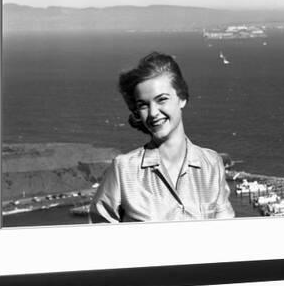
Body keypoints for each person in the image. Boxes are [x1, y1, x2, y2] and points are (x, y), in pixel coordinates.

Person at [90, 52, 235, 223]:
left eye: (162, 100)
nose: (152, 113)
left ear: (182, 98)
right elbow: (100, 239)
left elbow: (226, 233)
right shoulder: (123, 170)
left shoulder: (211, 164)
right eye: (143, 105)